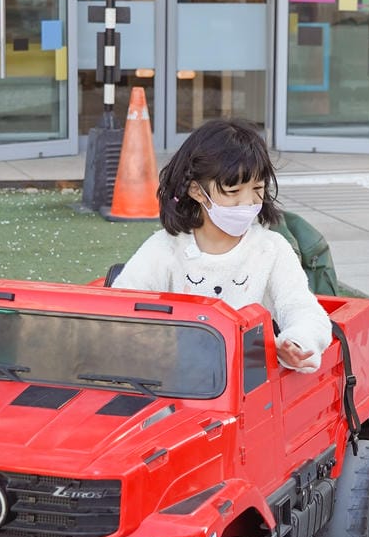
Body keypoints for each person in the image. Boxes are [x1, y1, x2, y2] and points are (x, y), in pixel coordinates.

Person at [113, 118, 333, 373]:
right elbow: (123, 305)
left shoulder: (270, 249)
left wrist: (297, 341)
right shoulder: (165, 248)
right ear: (196, 191)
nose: (248, 202)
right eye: (233, 191)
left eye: (257, 189)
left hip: (248, 384)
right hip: (174, 383)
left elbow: (301, 307)